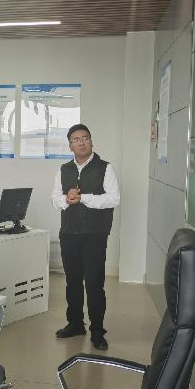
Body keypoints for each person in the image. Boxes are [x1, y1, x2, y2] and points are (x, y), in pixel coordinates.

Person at [51, 124, 120, 351]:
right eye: (76, 139)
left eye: (85, 138)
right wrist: (66, 199)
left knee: (94, 283)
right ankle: (75, 324)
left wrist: (84, 198)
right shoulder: (63, 169)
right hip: (69, 233)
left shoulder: (105, 168)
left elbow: (113, 199)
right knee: (72, 282)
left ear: (91, 141)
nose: (81, 142)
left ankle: (97, 331)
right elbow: (55, 198)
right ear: (70, 145)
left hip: (94, 234)